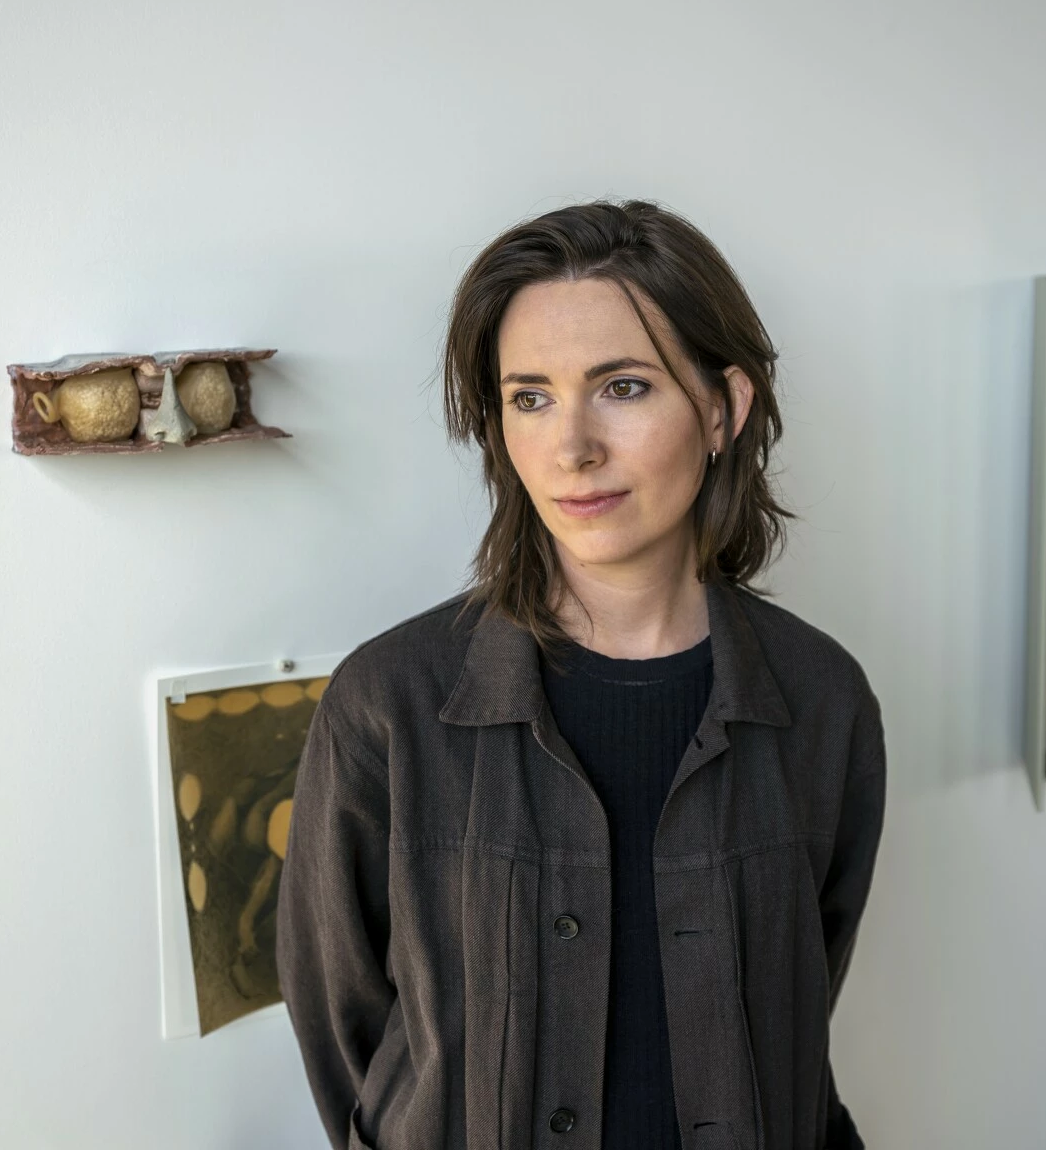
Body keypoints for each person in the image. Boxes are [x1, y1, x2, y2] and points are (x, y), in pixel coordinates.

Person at [276, 199, 887, 1150]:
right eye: (530, 397)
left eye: (624, 387)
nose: (571, 447)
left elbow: (795, 1005)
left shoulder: (821, 698)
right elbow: (344, 1027)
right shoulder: (388, 704)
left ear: (724, 406)